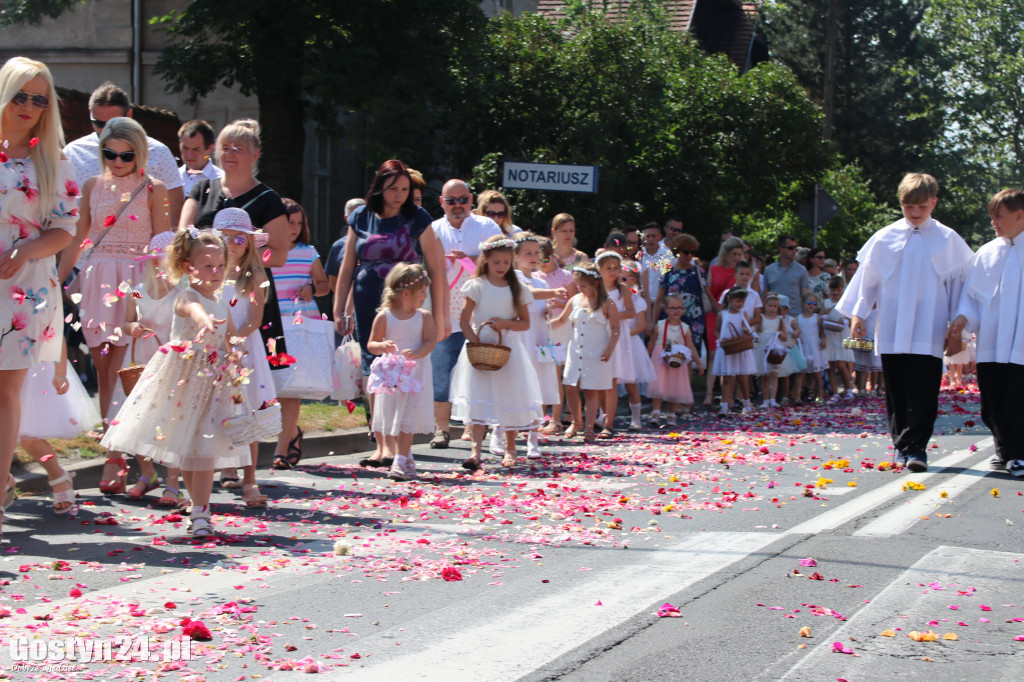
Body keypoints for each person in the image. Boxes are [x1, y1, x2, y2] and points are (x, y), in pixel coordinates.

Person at [99, 229, 249, 537]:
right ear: (186, 267)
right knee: (192, 451)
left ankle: (200, 512)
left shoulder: (221, 301)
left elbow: (230, 335)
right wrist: (203, 320)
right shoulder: (187, 297)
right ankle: (200, 511)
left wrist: (236, 351)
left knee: (203, 449)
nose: (216, 272)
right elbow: (193, 311)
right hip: (185, 381)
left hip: (214, 381)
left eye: (220, 266)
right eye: (208, 266)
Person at [836, 172, 973, 472]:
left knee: (924, 389)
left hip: (930, 326)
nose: (914, 213)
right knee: (896, 388)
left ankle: (918, 448)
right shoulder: (885, 237)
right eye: (908, 207)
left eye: (921, 207)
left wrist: (957, 327)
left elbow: (961, 287)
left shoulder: (948, 239)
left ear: (934, 203)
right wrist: (859, 314)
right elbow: (867, 279)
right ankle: (902, 446)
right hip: (894, 326)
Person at [0, 56, 80, 538]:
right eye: (21, 95)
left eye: (40, 99)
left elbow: (65, 230)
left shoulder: (53, 160)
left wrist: (27, 248)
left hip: (22, 287)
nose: (29, 106)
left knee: (5, 390)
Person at [58, 117, 171, 443]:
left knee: (128, 371)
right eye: (110, 154)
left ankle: (129, 449)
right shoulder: (92, 186)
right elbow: (76, 240)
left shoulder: (155, 188)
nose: (118, 161)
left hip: (136, 285)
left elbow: (162, 246)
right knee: (104, 372)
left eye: (127, 155)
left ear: (140, 154)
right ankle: (113, 451)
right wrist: (56, 280)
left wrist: (163, 294)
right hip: (98, 282)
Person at [949, 188, 1024, 474]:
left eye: (999, 216)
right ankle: (1003, 448)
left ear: (1020, 215)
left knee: (1018, 398)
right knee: (992, 400)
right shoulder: (988, 252)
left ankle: (1017, 453)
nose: (993, 222)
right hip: (992, 343)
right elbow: (973, 297)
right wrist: (962, 321)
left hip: (1021, 345)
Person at [450, 236, 542, 470]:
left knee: (509, 397)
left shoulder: (517, 288)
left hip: (507, 348)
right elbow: (463, 320)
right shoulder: (477, 285)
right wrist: (475, 342)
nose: (501, 267)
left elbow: (525, 323)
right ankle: (475, 452)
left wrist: (505, 324)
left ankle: (510, 449)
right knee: (477, 399)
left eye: (506, 262)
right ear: (486, 260)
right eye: (496, 262)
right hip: (481, 347)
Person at [425, 178, 499, 450]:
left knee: (483, 369)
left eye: (462, 200)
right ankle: (441, 430)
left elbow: (500, 262)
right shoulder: (432, 229)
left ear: (470, 199)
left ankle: (483, 425)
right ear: (441, 202)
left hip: (479, 313)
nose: (457, 206)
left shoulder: (487, 226)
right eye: (451, 201)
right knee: (442, 371)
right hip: (444, 312)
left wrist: (467, 260)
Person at [215, 208, 275, 507]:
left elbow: (255, 317)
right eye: (226, 237)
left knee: (247, 413)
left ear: (250, 242)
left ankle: (250, 478)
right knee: (219, 412)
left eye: (240, 237)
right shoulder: (210, 272)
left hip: (243, 350)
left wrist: (234, 340)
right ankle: (225, 465)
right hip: (216, 349)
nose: (234, 243)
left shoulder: (255, 273)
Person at [118, 231, 183, 503]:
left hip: (171, 361)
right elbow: (125, 322)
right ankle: (147, 473)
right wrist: (133, 328)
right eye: (158, 260)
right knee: (136, 419)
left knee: (170, 421)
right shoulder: (137, 290)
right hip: (141, 360)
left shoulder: (183, 292)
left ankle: (172, 480)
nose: (162, 265)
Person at [62, 81, 183, 225]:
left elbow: (174, 207)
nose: (107, 130)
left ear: (130, 114)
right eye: (99, 124)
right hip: (88, 244)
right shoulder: (73, 152)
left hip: (144, 243)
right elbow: (61, 208)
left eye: (113, 123)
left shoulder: (158, 152)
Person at [269, 198, 329, 470]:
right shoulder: (264, 251)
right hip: (269, 324)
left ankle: (280, 451)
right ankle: (292, 433)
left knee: (290, 389)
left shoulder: (308, 252)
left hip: (299, 324)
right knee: (269, 387)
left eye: (298, 223)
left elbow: (324, 284)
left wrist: (312, 290)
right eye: (288, 222)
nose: (293, 228)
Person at [365, 263, 436, 482]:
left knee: (408, 418)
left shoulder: (423, 316)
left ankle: (399, 461)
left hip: (415, 375)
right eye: (422, 291)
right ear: (406, 293)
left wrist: (416, 353)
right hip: (393, 376)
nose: (425, 296)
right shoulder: (385, 316)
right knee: (395, 418)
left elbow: (430, 341)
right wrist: (382, 346)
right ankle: (407, 458)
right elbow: (371, 344)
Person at [19, 338, 99, 515]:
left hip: (32, 363)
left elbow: (54, 330)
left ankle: (57, 475)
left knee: (29, 437)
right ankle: (7, 481)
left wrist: (60, 372)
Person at [550, 262, 620, 442]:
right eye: (578, 286)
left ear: (595, 284)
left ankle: (589, 427)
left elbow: (615, 328)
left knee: (591, 390)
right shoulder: (575, 300)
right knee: (571, 386)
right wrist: (543, 326)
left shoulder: (606, 303)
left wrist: (609, 348)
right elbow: (562, 320)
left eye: (583, 286)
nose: (580, 289)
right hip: (576, 351)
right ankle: (576, 420)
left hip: (596, 352)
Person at [513, 233, 564, 458]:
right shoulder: (512, 277)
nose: (534, 257)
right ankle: (502, 431)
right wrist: (551, 293)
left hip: (538, 336)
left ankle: (533, 438)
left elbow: (541, 304)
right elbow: (526, 295)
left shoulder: (541, 280)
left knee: (537, 386)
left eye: (536, 253)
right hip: (520, 335)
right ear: (515, 256)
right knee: (515, 383)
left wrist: (548, 309)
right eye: (528, 253)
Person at [533, 236, 575, 434]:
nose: (542, 263)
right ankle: (541, 417)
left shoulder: (566, 276)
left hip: (561, 327)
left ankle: (557, 418)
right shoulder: (535, 277)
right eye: (538, 259)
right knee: (542, 372)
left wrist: (558, 304)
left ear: (553, 255)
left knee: (556, 372)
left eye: (545, 258)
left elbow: (575, 302)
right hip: (542, 326)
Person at [649, 234, 716, 355]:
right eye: (686, 252)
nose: (690, 255)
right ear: (677, 251)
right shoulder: (668, 272)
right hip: (672, 320)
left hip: (694, 320)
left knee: (690, 356)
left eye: (693, 252)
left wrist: (720, 315)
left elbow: (708, 295)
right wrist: (654, 323)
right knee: (670, 355)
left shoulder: (698, 271)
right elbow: (659, 299)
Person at [646, 294, 703, 425]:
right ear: (666, 309)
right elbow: (652, 342)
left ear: (683, 310)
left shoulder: (685, 328)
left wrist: (699, 363)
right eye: (672, 308)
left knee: (674, 386)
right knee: (658, 385)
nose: (676, 311)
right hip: (660, 356)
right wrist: (646, 358)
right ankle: (656, 412)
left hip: (677, 359)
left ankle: (671, 413)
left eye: (679, 308)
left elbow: (691, 346)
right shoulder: (659, 325)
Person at [595, 251, 635, 437]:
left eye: (616, 268)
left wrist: (613, 314)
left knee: (610, 381)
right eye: (608, 268)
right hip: (598, 334)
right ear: (599, 269)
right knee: (599, 381)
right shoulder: (595, 289)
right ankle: (602, 416)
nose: (612, 272)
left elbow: (631, 312)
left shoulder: (623, 289)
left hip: (616, 336)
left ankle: (609, 423)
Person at [704, 236, 744, 407]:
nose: (737, 258)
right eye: (734, 254)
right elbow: (708, 291)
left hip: (734, 315)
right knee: (714, 354)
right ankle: (709, 393)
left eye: (740, 254)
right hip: (715, 314)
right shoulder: (714, 269)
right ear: (726, 254)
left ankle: (730, 395)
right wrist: (717, 308)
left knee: (733, 352)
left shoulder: (741, 271)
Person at [619, 260, 656, 430]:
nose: (621, 282)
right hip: (612, 342)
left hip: (629, 344)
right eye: (619, 278)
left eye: (625, 279)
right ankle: (602, 416)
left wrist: (623, 334)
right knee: (607, 382)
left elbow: (640, 325)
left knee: (630, 383)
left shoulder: (637, 300)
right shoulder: (614, 297)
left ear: (634, 279)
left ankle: (636, 418)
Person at [713, 287, 756, 416]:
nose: (740, 304)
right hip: (727, 348)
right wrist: (720, 338)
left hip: (740, 349)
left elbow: (746, 328)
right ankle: (724, 405)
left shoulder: (743, 314)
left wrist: (745, 331)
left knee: (742, 378)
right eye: (738, 301)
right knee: (727, 378)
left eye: (742, 302)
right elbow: (717, 329)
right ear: (730, 299)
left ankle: (747, 403)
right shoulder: (723, 314)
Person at [823, 276, 856, 400]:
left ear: (843, 289)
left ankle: (849, 389)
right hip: (830, 336)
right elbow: (822, 317)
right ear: (829, 289)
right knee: (830, 365)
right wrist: (826, 313)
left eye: (838, 290)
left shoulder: (845, 303)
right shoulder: (826, 302)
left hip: (842, 336)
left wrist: (846, 320)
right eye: (833, 290)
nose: (835, 293)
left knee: (842, 364)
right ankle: (835, 392)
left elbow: (851, 319)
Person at [755, 293, 788, 407]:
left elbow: (785, 336)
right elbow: (757, 331)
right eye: (770, 306)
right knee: (764, 375)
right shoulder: (761, 318)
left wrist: (779, 335)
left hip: (774, 348)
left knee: (774, 374)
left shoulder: (779, 320)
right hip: (763, 347)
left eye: (775, 306)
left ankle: (773, 399)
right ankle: (765, 400)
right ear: (765, 305)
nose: (772, 309)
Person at [793, 293, 827, 403]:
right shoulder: (798, 319)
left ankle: (820, 395)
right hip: (803, 348)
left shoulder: (817, 318)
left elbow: (822, 332)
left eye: (814, 303)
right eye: (809, 303)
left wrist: (824, 339)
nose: (811, 305)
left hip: (814, 347)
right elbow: (795, 332)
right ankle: (798, 396)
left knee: (816, 373)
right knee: (801, 373)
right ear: (803, 303)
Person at [178, 119, 223, 197]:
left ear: (210, 148)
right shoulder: (173, 177)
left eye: (196, 149)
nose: (189, 155)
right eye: (185, 148)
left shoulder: (221, 180)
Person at [763, 234, 810, 305]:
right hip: (774, 314)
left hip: (795, 314)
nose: (794, 251)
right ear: (781, 249)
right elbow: (765, 294)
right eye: (791, 248)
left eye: (795, 247)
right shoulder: (768, 270)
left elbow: (805, 295)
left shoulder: (802, 270)